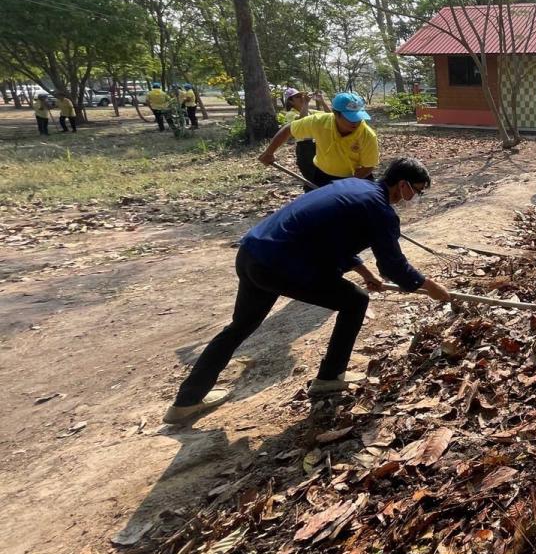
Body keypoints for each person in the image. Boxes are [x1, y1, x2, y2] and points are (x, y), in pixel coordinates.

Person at [163, 158, 451, 425]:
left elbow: (329, 235)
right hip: (280, 265)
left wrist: (364, 272)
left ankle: (185, 402)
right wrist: (429, 286)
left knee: (240, 326)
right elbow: (394, 267)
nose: (415, 198)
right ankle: (330, 376)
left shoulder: (354, 186)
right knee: (355, 300)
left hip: (253, 253)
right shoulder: (381, 210)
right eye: (417, 191)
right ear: (402, 184)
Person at [259, 92, 379, 187]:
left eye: (358, 117)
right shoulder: (319, 122)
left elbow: (369, 166)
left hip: (354, 177)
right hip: (323, 174)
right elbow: (289, 129)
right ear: (336, 114)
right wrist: (269, 152)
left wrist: (352, 183)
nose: (356, 122)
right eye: (350, 118)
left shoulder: (367, 135)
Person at [277, 88, 321, 188]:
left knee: (322, 174)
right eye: (297, 97)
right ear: (290, 101)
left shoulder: (310, 111)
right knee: (311, 177)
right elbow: (302, 123)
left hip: (317, 145)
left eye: (301, 95)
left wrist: (322, 100)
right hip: (305, 148)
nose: (301, 98)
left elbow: (330, 115)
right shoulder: (290, 114)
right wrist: (305, 103)